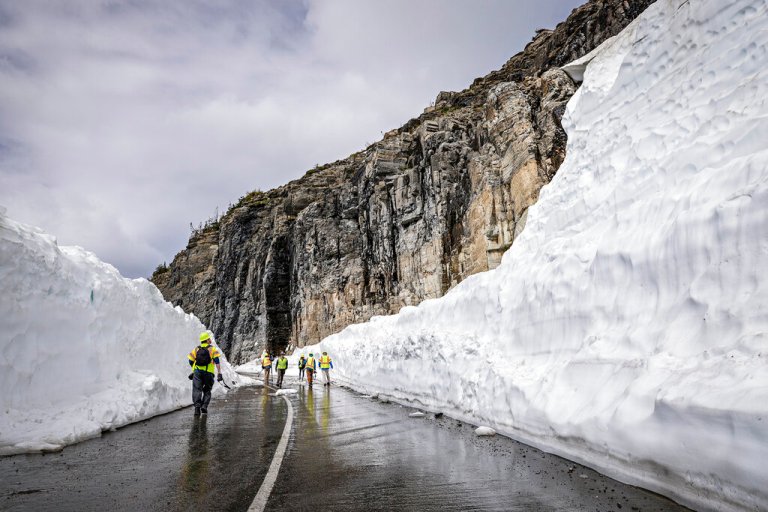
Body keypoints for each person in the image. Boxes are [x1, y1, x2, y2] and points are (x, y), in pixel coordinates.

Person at [187, 332, 223, 416]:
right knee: (207, 390)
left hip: (197, 373)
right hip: (208, 373)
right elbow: (217, 361)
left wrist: (194, 370)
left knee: (197, 390)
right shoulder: (212, 349)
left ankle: (197, 408)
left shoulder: (196, 349)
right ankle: (204, 406)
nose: (210, 340)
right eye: (209, 338)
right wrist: (219, 373)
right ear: (206, 340)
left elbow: (190, 360)